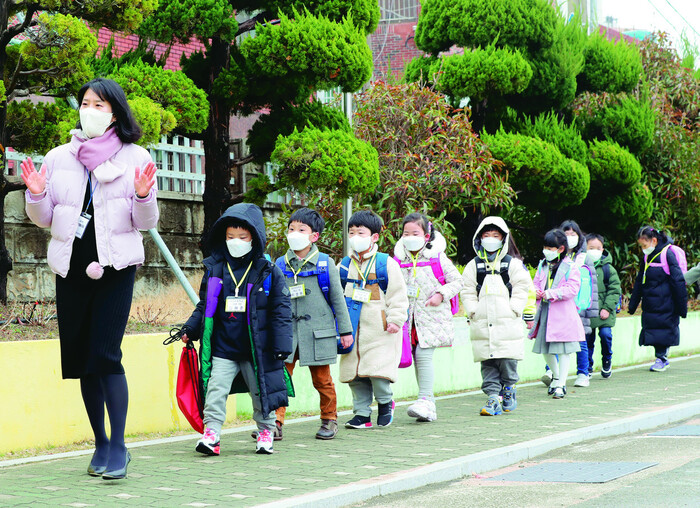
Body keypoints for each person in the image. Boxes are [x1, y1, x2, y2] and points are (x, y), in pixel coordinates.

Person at [21, 78, 159, 480]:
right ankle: (99, 441)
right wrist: (35, 194)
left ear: (114, 112)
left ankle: (119, 445)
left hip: (115, 269)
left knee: (106, 354)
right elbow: (44, 219)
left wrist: (144, 196)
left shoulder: (136, 156)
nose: (90, 109)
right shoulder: (59, 157)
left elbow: (144, 222)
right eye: (85, 103)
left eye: (99, 104)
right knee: (83, 360)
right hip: (72, 269)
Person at [181, 203, 293, 455]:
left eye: (242, 237)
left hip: (257, 349)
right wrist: (190, 328)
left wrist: (282, 346)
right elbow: (204, 306)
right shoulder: (216, 268)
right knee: (215, 388)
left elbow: (281, 311)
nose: (236, 241)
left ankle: (266, 431)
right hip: (223, 347)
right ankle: (212, 434)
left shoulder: (268, 271)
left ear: (255, 237)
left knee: (260, 391)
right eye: (230, 237)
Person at [271, 207, 353, 440]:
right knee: (280, 378)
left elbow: (338, 299)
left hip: (318, 333)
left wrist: (345, 331)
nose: (294, 233)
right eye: (291, 229)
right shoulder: (280, 264)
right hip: (286, 332)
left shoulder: (326, 264)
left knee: (322, 380)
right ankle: (275, 423)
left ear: (314, 236)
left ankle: (329, 419)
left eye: (301, 229)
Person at [338, 210, 409, 429]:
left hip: (381, 331)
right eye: (352, 232)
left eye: (361, 232)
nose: (355, 237)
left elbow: (398, 295)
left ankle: (386, 403)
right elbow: (337, 295)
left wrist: (396, 320)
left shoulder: (385, 264)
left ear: (374, 237)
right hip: (352, 331)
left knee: (378, 373)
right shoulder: (344, 265)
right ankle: (362, 414)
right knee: (355, 375)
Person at [393, 213, 462, 422]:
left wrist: (441, 294)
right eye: (406, 233)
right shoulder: (398, 260)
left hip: (430, 318)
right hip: (407, 320)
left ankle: (424, 400)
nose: (410, 237)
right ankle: (427, 404)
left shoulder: (437, 257)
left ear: (426, 235)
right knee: (415, 358)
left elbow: (458, 281)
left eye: (415, 233)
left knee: (423, 356)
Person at [461, 217, 532, 415]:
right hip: (482, 325)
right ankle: (493, 398)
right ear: (479, 238)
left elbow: (522, 286)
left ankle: (509, 389)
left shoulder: (512, 264)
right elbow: (467, 290)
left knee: (507, 362)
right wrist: (473, 311)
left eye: (495, 236)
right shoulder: (474, 266)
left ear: (503, 239)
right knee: (488, 364)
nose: (490, 239)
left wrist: (515, 308)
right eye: (486, 236)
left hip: (507, 324)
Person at [541, 220, 598, 388]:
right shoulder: (551, 259)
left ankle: (583, 372)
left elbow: (591, 283)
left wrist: (590, 309)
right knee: (554, 339)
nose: (570, 237)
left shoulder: (583, 257)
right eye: (566, 234)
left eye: (574, 234)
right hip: (557, 305)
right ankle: (553, 373)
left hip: (578, 306)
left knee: (580, 341)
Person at [529, 229, 584, 399]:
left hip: (563, 315)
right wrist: (536, 291)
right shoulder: (542, 264)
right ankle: (556, 376)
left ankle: (561, 384)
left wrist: (551, 293)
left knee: (564, 351)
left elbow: (573, 289)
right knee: (545, 349)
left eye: (550, 248)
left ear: (560, 249)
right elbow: (536, 282)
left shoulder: (571, 266)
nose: (547, 251)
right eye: (545, 247)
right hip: (545, 312)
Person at [628, 226, 688, 372]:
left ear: (654, 240)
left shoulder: (667, 254)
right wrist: (633, 304)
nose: (642, 248)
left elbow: (678, 281)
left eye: (644, 245)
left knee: (664, 330)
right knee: (654, 330)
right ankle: (661, 357)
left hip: (667, 302)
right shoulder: (647, 256)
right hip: (651, 303)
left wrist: (681, 307)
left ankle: (661, 358)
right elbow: (639, 280)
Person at [585, 233, 622, 378]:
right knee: (587, 341)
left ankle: (607, 359)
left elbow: (614, 290)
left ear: (603, 249)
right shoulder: (581, 267)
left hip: (605, 311)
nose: (594, 251)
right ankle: (587, 367)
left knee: (605, 335)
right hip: (588, 310)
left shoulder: (608, 269)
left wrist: (607, 308)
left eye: (598, 248)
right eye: (591, 248)